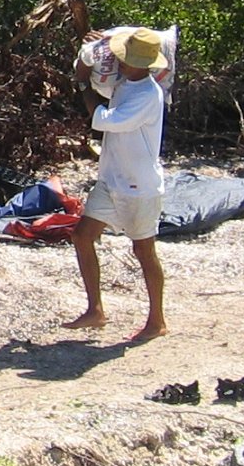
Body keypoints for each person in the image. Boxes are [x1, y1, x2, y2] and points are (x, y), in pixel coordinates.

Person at [63, 26, 170, 343]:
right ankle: (95, 310)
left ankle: (157, 320)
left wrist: (83, 84)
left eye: (126, 58)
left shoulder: (149, 95)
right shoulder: (126, 84)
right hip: (112, 180)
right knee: (82, 236)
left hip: (138, 186)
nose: (120, 62)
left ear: (142, 64)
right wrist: (92, 52)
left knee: (143, 250)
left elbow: (106, 120)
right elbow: (106, 91)